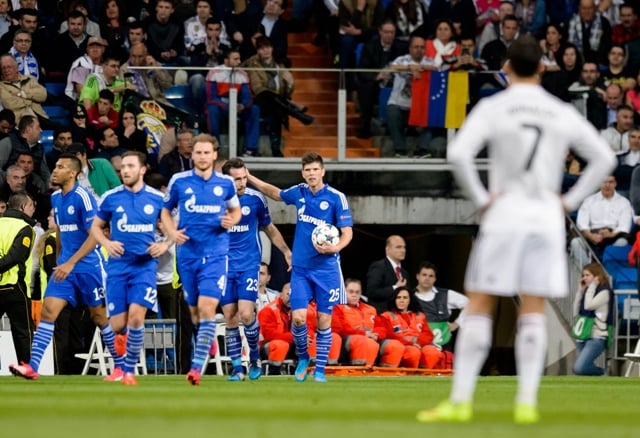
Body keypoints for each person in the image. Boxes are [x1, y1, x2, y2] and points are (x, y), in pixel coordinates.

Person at [416, 35, 616, 424]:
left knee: (480, 303)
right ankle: (525, 401)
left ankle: (460, 400)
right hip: (544, 216)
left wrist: (481, 197)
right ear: (542, 67)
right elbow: (604, 157)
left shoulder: (496, 106)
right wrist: (568, 202)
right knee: (534, 308)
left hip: (504, 212)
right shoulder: (557, 110)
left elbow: (458, 153)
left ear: (506, 67)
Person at [9, 152, 125, 380]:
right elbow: (60, 230)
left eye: (60, 167)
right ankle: (32, 367)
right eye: (55, 166)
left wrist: (71, 262)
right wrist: (61, 260)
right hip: (66, 269)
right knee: (48, 312)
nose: (55, 170)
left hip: (89, 268)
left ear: (72, 173)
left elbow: (94, 235)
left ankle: (121, 366)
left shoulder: (83, 197)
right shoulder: (55, 198)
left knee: (99, 317)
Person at [248, 151, 353, 383]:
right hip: (301, 269)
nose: (311, 174)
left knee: (324, 320)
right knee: (298, 318)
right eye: (307, 170)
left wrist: (336, 248)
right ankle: (304, 356)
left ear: (322, 171)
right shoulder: (300, 192)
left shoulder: (336, 198)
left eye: (315, 169)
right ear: (303, 173)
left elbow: (347, 232)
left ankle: (321, 370)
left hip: (327, 269)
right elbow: (274, 193)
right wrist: (250, 177)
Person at [160, 133, 241, 386]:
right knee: (195, 313)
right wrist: (172, 232)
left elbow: (235, 209)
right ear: (191, 154)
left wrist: (232, 220)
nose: (203, 156)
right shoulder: (179, 181)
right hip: (187, 255)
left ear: (214, 154)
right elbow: (165, 209)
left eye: (207, 152)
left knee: (207, 309)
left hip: (216, 254)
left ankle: (196, 368)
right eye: (198, 152)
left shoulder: (226, 183)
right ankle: (207, 341)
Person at [89, 151, 167, 385]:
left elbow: (174, 227)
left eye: (130, 166)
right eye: (123, 167)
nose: (125, 170)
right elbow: (94, 227)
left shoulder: (156, 198)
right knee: (117, 324)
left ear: (142, 170)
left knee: (136, 317)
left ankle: (129, 370)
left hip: (144, 267)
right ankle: (120, 368)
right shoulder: (111, 198)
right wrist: (106, 242)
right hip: (117, 268)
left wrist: (165, 245)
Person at [219, 157, 292, 381]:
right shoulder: (214, 203)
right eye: (236, 179)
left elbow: (269, 228)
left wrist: (286, 251)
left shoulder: (256, 199)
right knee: (230, 317)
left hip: (248, 264)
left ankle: (254, 357)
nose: (241, 183)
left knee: (247, 313)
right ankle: (237, 368)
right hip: (222, 266)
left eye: (243, 178)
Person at [0, 191, 36, 365]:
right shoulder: (24, 228)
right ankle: (26, 368)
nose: (33, 209)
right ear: (23, 207)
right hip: (14, 286)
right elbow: (16, 257)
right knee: (23, 332)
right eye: (31, 205)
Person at [570, 174, 633, 268]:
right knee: (576, 242)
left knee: (622, 242)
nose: (607, 185)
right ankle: (590, 272)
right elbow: (582, 223)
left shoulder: (624, 202)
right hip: (592, 235)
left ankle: (607, 273)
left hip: (614, 236)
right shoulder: (589, 200)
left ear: (615, 184)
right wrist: (591, 235)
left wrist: (611, 234)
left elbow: (624, 226)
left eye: (611, 182)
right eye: (604, 182)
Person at [206, 48, 260, 157]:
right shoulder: (214, 72)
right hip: (221, 107)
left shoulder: (243, 74)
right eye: (235, 59)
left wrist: (243, 106)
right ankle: (215, 147)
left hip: (237, 107)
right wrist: (228, 107)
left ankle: (250, 149)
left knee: (254, 109)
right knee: (212, 110)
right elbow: (211, 98)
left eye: (239, 59)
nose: (239, 62)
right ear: (226, 61)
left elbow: (248, 97)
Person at [378, 286, 443, 368]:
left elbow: (428, 334)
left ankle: (424, 376)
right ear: (394, 300)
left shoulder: (420, 315)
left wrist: (418, 343)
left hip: (419, 345)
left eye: (405, 298)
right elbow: (389, 335)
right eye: (398, 298)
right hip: (401, 346)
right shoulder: (386, 316)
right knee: (413, 352)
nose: (401, 300)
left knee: (433, 352)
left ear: (409, 300)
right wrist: (411, 343)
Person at [413, 261, 468, 351]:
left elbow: (470, 304)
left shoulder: (445, 295)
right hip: (416, 349)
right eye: (424, 275)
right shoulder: (408, 296)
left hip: (443, 349)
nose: (427, 278)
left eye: (431, 276)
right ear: (417, 276)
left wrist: (457, 323)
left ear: (435, 279)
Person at [571, 262, 613, 376]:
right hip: (583, 333)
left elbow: (589, 305)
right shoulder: (587, 292)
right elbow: (576, 312)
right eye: (583, 275)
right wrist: (580, 291)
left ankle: (603, 373)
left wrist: (593, 287)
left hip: (597, 335)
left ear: (597, 276)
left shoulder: (604, 292)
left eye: (587, 275)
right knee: (581, 371)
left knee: (579, 368)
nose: (584, 278)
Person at [332, 278, 384, 366]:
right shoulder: (338, 307)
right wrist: (364, 334)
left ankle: (367, 372)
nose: (354, 295)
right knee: (362, 340)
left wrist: (377, 334)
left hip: (369, 340)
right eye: (351, 292)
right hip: (346, 341)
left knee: (373, 344)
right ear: (343, 292)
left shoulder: (371, 309)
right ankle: (358, 369)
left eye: (357, 292)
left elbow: (382, 327)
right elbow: (342, 329)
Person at [365, 235, 409, 313]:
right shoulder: (378, 267)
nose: (403, 250)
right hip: (381, 317)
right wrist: (395, 288)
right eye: (398, 247)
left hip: (400, 318)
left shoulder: (404, 273)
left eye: (404, 247)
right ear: (388, 250)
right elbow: (372, 292)